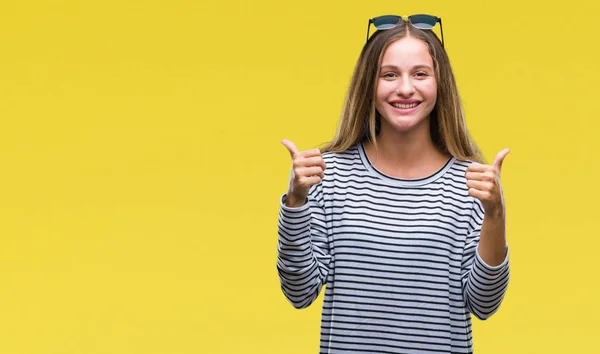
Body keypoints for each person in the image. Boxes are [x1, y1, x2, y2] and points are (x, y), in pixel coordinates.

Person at [276, 14, 510, 353]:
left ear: (439, 84)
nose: (404, 88)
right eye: (389, 74)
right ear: (369, 84)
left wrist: (496, 214)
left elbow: (484, 304)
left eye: (419, 74)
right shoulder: (330, 176)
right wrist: (296, 201)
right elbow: (299, 292)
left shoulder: (471, 183)